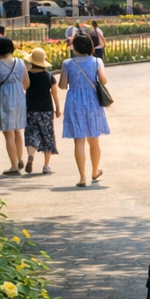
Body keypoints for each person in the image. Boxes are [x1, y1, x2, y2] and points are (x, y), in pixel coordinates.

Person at [59, 34, 109, 187]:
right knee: (94, 140)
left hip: (74, 101)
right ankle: (94, 171)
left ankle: (82, 177)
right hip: (92, 101)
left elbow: (62, 85)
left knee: (79, 141)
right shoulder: (97, 61)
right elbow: (104, 80)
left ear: (75, 48)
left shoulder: (68, 63)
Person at [0, 36, 27, 176]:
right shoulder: (20, 62)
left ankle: (14, 166)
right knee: (17, 130)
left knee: (8, 133)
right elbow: (26, 83)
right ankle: (19, 159)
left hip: (4, 96)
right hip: (19, 96)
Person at [23, 47, 60, 175]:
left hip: (30, 108)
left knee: (31, 134)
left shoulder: (27, 75)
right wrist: (58, 108)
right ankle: (46, 165)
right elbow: (54, 93)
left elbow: (24, 88)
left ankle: (30, 156)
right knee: (47, 135)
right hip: (46, 109)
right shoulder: (49, 76)